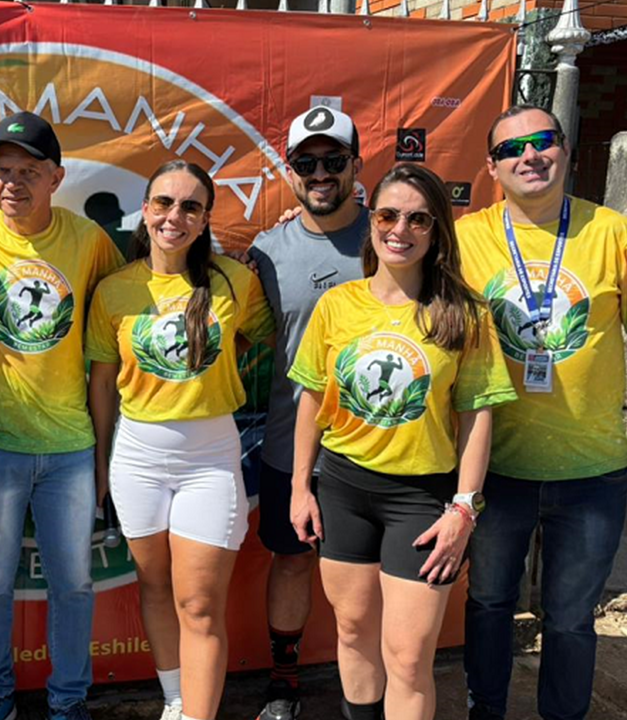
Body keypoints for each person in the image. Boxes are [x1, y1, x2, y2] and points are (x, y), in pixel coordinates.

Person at [459, 106, 627, 720]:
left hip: (591, 471)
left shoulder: (613, 233)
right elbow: (390, 267)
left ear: (565, 149)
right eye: (511, 149)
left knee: (570, 618)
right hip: (495, 468)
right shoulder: (464, 238)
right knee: (489, 604)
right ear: (492, 168)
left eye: (543, 141)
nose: (529, 156)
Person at [289, 163, 517, 720]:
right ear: (371, 220)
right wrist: (300, 487)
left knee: (410, 659)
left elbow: (477, 415)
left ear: (437, 230)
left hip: (421, 498)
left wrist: (464, 508)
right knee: (352, 633)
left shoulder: (464, 313)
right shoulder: (337, 304)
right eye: (388, 215)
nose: (400, 229)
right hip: (342, 489)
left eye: (418, 219)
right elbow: (312, 401)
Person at [0, 111, 125, 720]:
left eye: (28, 171)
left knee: (72, 584)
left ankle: (68, 702)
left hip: (71, 446)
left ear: (56, 178)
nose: (13, 183)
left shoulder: (88, 241)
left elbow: (118, 312)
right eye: (3, 171)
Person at [86, 160, 276, 720]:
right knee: (154, 588)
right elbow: (103, 384)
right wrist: (100, 463)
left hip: (210, 459)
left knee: (198, 603)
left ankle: (198, 713)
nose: (175, 216)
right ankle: (175, 700)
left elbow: (271, 335)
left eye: (191, 206)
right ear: (145, 211)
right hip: (136, 457)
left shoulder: (234, 281)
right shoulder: (114, 290)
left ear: (205, 218)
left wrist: (220, 360)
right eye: (164, 203)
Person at [246, 105, 370, 720]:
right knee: (291, 563)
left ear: (356, 165)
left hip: (375, 450)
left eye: (333, 160)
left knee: (366, 583)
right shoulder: (266, 252)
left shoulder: (393, 235)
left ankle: (367, 693)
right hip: (288, 446)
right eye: (306, 162)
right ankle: (284, 683)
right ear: (290, 171)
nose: (320, 173)